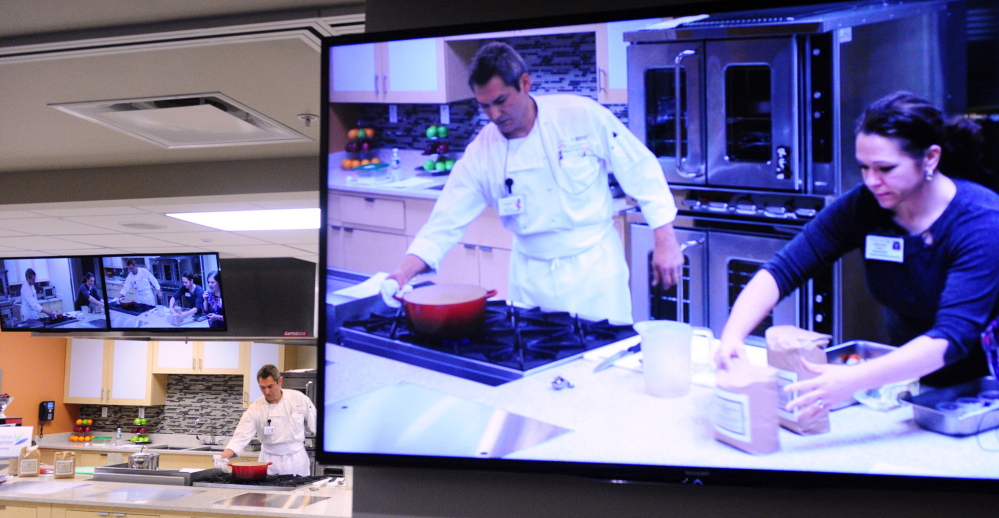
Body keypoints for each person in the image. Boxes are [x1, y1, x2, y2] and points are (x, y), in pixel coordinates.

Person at [714, 91, 999, 416]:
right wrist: (733, 334)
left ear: (930, 158)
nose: (871, 181)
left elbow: (952, 336)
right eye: (864, 167)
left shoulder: (981, 222)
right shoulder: (865, 206)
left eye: (885, 168)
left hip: (981, 391)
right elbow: (782, 270)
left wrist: (855, 379)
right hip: (906, 380)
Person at [380, 41, 683, 323]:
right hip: (529, 279)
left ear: (525, 83)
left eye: (501, 101)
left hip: (595, 273)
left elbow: (640, 168)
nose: (494, 115)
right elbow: (443, 224)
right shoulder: (481, 153)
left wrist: (665, 240)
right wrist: (401, 274)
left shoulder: (580, 115)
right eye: (484, 106)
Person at [214, 364, 317, 476]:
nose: (267, 392)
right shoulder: (256, 407)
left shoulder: (299, 399)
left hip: (296, 460)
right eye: (262, 387)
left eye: (270, 386)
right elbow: (241, 436)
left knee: (299, 492)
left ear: (280, 382)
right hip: (268, 461)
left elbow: (317, 425)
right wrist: (223, 456)